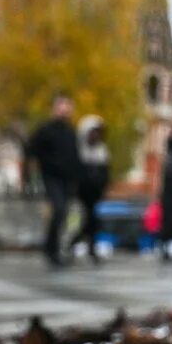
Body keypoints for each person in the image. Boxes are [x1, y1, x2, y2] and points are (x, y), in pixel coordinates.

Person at [26, 94, 78, 267]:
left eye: (68, 106)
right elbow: (31, 150)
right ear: (55, 109)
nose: (65, 110)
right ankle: (51, 249)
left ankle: (53, 247)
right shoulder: (45, 130)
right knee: (58, 209)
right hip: (51, 177)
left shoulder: (70, 132)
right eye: (62, 106)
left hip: (66, 179)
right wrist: (33, 174)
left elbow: (75, 157)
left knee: (63, 214)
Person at [69, 115, 110, 261]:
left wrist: (102, 187)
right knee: (81, 220)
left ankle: (89, 245)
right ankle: (75, 241)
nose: (96, 135)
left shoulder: (102, 151)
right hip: (81, 193)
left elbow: (105, 174)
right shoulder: (79, 151)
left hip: (95, 193)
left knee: (92, 221)